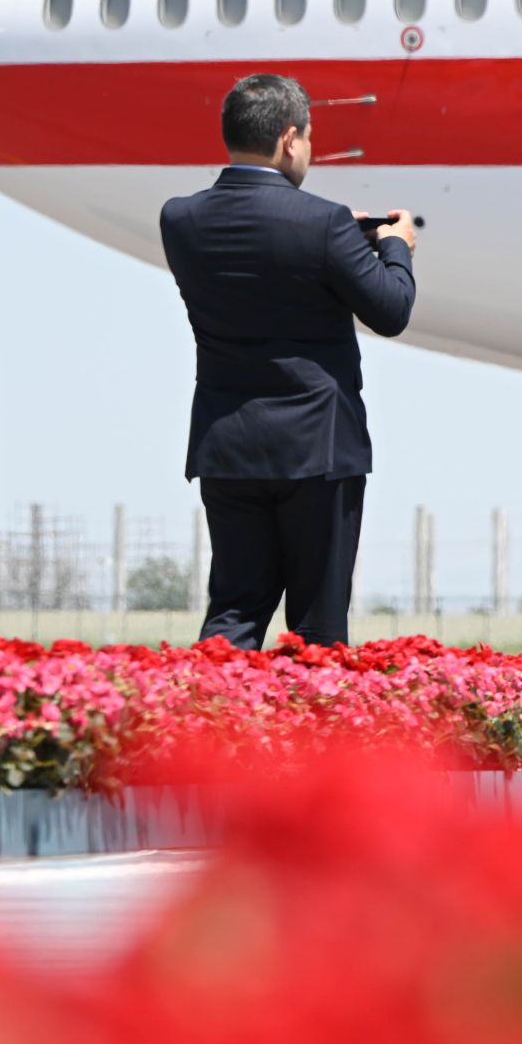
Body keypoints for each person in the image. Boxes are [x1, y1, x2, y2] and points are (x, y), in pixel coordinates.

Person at [160, 75, 418, 649]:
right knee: (318, 629)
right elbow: (391, 309)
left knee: (232, 614)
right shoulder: (324, 225)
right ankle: (312, 740)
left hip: (227, 445)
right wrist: (395, 246)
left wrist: (333, 237)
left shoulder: (180, 219)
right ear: (290, 138)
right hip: (318, 450)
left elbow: (263, 252)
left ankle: (210, 731)